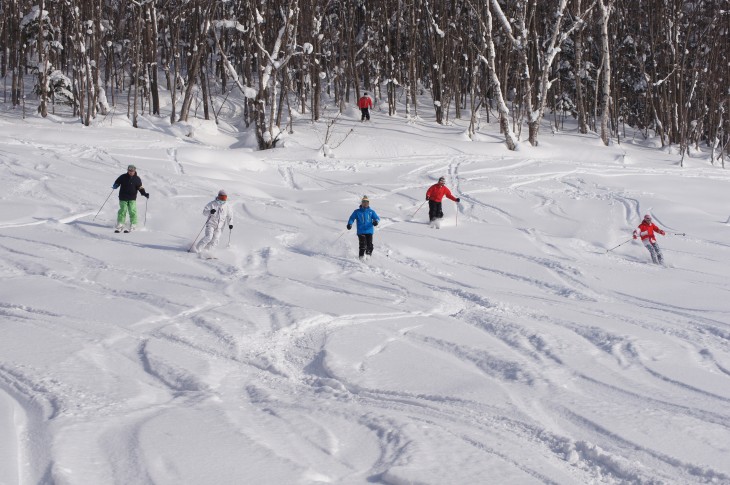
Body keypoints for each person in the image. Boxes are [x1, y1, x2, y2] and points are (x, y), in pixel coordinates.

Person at [194, 190, 234, 254]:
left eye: (224, 198)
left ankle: (207, 251)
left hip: (220, 227)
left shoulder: (227, 206)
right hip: (211, 224)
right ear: (218, 197)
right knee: (209, 237)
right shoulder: (212, 204)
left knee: (215, 240)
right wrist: (210, 212)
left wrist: (230, 224)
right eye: (221, 198)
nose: (223, 200)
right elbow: (204, 212)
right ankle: (197, 249)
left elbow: (230, 216)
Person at [112, 164, 149, 233]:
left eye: (132, 171)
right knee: (123, 210)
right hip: (123, 197)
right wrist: (115, 185)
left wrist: (144, 193)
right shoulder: (123, 177)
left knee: (132, 211)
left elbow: (140, 187)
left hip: (132, 198)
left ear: (135, 171)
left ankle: (133, 224)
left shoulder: (137, 179)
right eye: (129, 171)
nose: (131, 172)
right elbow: (117, 182)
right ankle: (120, 223)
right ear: (128, 170)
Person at [347, 195, 380, 259]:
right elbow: (352, 218)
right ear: (361, 203)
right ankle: (361, 257)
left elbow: (377, 218)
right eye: (364, 202)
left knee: (369, 245)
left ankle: (368, 256)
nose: (365, 204)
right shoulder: (357, 212)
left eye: (367, 202)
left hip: (369, 231)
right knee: (363, 244)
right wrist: (349, 224)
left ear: (368, 203)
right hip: (361, 231)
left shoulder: (371, 212)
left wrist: (376, 222)